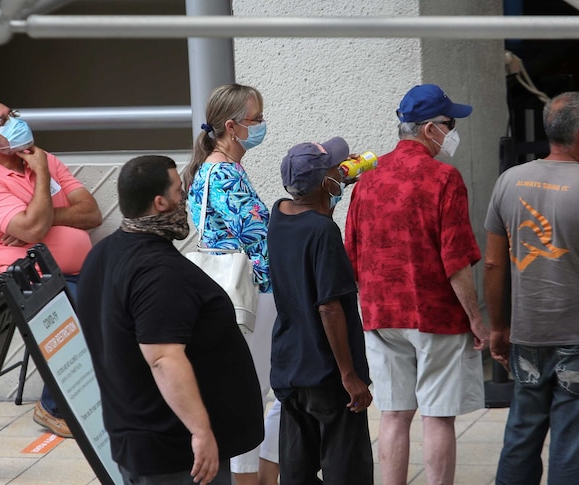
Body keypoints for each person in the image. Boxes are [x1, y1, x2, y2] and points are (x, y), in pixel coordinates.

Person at [484, 91, 579, 484]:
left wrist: (499, 328)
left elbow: (492, 263)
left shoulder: (508, 182)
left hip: (528, 335)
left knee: (521, 437)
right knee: (573, 446)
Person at [77, 155, 264, 485]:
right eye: (179, 191)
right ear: (160, 202)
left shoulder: (102, 254)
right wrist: (201, 432)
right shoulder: (158, 272)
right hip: (174, 454)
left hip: (140, 441)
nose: (185, 197)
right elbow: (164, 358)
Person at [345, 84, 488, 485]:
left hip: (379, 313)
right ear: (429, 129)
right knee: (438, 416)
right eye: (449, 124)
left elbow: (351, 253)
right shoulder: (444, 178)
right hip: (435, 315)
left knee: (393, 414)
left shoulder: (368, 178)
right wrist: (476, 319)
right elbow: (456, 260)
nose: (452, 131)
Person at [0, 97, 102, 439]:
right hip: (30, 280)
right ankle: (52, 407)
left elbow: (90, 213)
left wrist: (40, 217)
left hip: (79, 270)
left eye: (13, 115)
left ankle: (111, 397)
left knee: (129, 300)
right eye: (2, 121)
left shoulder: (43, 158)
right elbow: (33, 230)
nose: (14, 122)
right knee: (85, 313)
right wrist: (40, 178)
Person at [182, 83, 280, 485]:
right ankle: (254, 477)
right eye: (255, 119)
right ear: (231, 125)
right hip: (255, 290)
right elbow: (259, 235)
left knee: (261, 391)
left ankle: (259, 474)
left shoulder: (215, 168)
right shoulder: (222, 172)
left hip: (241, 290)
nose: (261, 125)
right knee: (264, 392)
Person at [268, 137, 373, 485]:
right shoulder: (324, 231)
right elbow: (329, 308)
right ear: (324, 182)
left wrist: (329, 190)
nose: (341, 173)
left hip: (290, 367)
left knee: (297, 468)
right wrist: (349, 375)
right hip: (328, 372)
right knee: (346, 467)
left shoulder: (278, 215)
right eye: (335, 169)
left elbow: (309, 214)